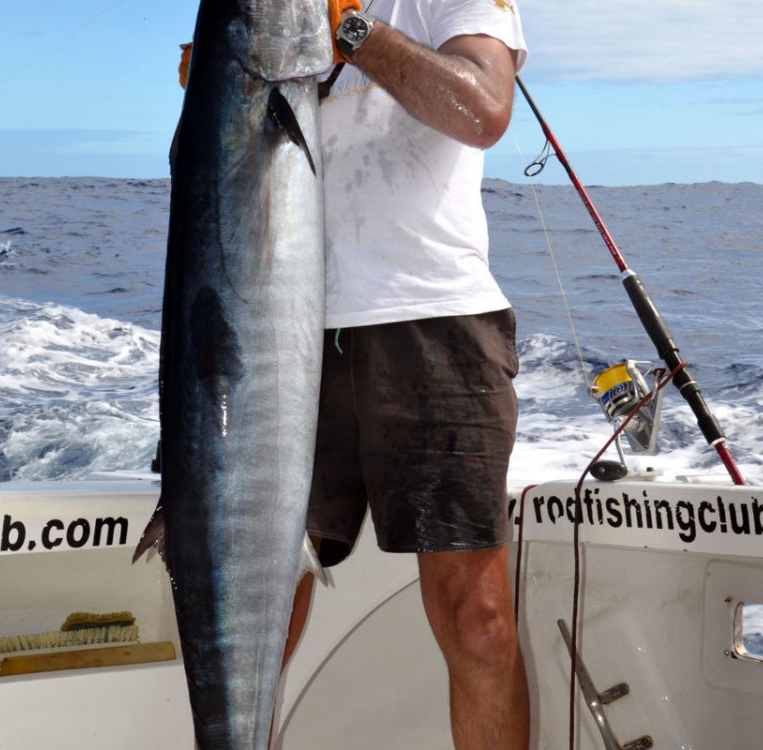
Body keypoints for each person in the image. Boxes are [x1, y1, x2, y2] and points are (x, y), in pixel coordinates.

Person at [182, 2, 529, 747]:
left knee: (478, 619)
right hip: (277, 340)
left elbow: (484, 112)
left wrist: (350, 33)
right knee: (251, 603)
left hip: (432, 322)